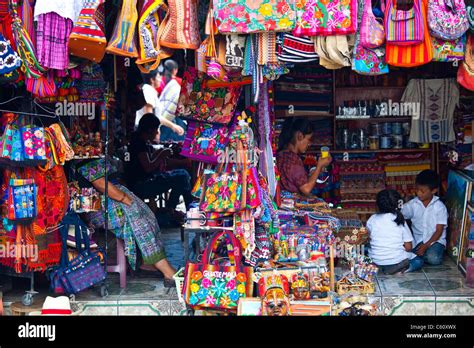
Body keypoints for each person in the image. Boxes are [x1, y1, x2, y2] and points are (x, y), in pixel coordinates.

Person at [76, 158, 176, 287]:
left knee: (148, 216)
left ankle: (147, 263)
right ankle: (167, 271)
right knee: (139, 223)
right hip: (99, 209)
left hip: (112, 202)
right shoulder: (84, 159)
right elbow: (100, 184)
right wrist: (124, 198)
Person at [126, 113, 194, 223]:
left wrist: (159, 153)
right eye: (156, 129)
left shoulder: (141, 141)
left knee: (181, 174)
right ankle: (176, 209)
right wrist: (161, 155)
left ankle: (176, 209)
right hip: (141, 185)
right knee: (182, 176)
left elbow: (147, 161)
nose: (157, 132)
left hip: (145, 180)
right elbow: (148, 167)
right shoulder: (138, 143)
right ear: (149, 130)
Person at [367, 190, 423, 274]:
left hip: (376, 261)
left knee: (365, 249)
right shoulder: (399, 219)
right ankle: (403, 270)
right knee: (419, 261)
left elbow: (369, 238)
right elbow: (408, 247)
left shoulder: (372, 219)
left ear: (378, 205)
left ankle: (375, 268)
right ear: (398, 204)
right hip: (396, 261)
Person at [402, 170, 448, 266]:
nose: (418, 193)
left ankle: (420, 257)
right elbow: (400, 215)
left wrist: (426, 246)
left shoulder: (440, 207)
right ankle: (420, 256)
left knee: (433, 259)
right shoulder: (413, 204)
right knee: (404, 252)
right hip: (418, 240)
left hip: (435, 241)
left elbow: (439, 231)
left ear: (434, 191)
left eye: (422, 191)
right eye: (417, 189)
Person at [276, 118, 332, 196]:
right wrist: (319, 166)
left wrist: (315, 172)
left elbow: (296, 181)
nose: (309, 144)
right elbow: (306, 189)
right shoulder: (293, 159)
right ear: (300, 136)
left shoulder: (281, 154)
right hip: (290, 204)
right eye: (308, 139)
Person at [135, 67, 184, 137]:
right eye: (158, 76)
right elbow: (149, 116)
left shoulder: (150, 91)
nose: (161, 79)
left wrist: (173, 126)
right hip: (144, 132)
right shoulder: (148, 90)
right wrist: (154, 131)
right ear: (152, 79)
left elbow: (157, 116)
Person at [156, 59, 187, 142]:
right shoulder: (180, 82)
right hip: (175, 118)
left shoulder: (158, 81)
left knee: (161, 143)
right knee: (177, 144)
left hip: (161, 117)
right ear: (175, 70)